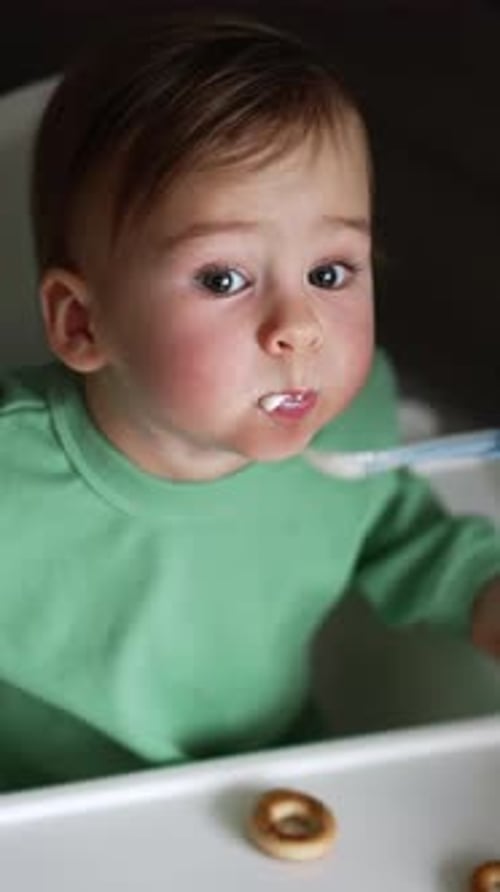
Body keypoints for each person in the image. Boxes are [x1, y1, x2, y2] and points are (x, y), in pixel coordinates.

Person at [1, 12, 499, 792]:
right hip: (48, 817)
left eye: (331, 273)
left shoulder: (351, 422)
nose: (298, 328)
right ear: (82, 321)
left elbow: (398, 533)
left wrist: (483, 590)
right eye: (223, 279)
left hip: (273, 791)